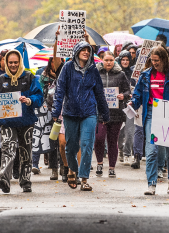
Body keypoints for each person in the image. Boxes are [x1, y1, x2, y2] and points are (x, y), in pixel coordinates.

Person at [129, 46, 169, 195]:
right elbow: (137, 95)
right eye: (152, 60)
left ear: (163, 59)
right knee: (151, 150)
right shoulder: (145, 76)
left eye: (157, 60)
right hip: (151, 114)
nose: (154, 63)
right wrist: (133, 103)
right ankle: (151, 183)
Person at [52, 41, 110, 191]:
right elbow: (60, 91)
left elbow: (99, 93)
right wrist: (56, 110)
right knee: (71, 146)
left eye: (88, 50)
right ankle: (72, 169)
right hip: (70, 112)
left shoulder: (93, 70)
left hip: (89, 112)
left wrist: (105, 113)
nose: (86, 52)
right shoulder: (67, 67)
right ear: (76, 51)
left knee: (86, 144)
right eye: (83, 50)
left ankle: (84, 179)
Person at [0, 49, 43, 193]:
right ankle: (4, 179)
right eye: (10, 62)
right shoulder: (1, 80)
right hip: (8, 122)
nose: (13, 65)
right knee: (8, 150)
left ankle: (25, 181)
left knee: (26, 152)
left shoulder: (30, 77)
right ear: (6, 63)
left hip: (26, 121)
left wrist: (29, 100)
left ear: (20, 63)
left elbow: (39, 97)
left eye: (16, 62)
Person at [94, 52, 130, 177]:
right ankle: (99, 163)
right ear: (102, 60)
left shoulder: (121, 74)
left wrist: (123, 96)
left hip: (116, 113)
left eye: (111, 60)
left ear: (115, 60)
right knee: (99, 138)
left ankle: (111, 167)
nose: (108, 62)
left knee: (112, 140)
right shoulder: (96, 73)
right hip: (100, 112)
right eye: (106, 60)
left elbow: (127, 91)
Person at [35, 56, 63, 180]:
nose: (55, 63)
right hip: (48, 113)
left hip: (62, 113)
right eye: (53, 61)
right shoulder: (44, 76)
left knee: (62, 142)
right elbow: (39, 92)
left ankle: (64, 166)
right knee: (52, 142)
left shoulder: (64, 74)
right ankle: (54, 169)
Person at [116, 50, 135, 165]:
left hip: (130, 105)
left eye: (127, 59)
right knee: (120, 131)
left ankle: (128, 153)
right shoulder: (116, 72)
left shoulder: (133, 73)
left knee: (129, 131)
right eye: (123, 59)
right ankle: (121, 149)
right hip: (119, 105)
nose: (125, 61)